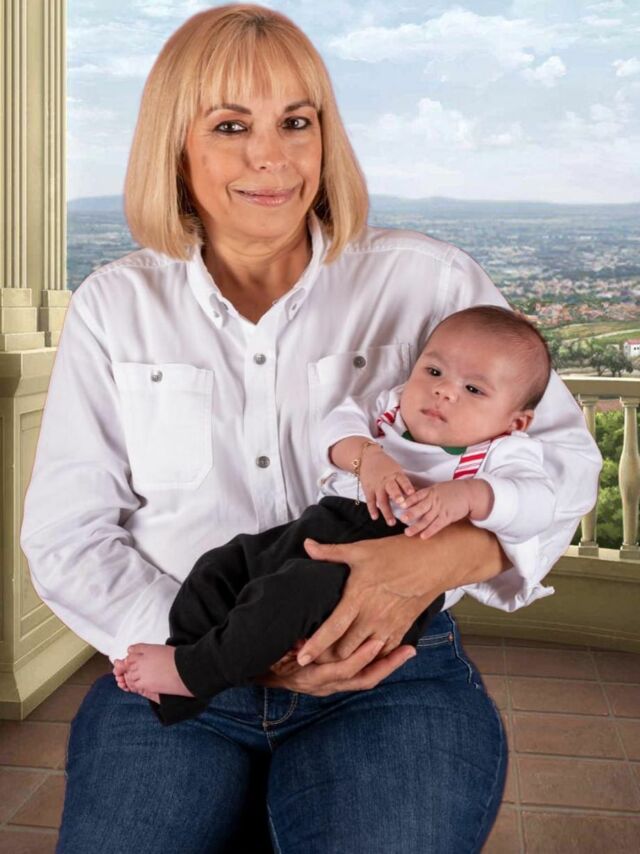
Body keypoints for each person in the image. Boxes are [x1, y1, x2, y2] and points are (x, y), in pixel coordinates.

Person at [19, 4, 601, 852]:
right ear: (175, 146)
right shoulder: (115, 306)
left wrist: (427, 565)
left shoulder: (429, 281)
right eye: (231, 126)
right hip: (175, 660)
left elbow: (564, 464)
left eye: (297, 122)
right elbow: (68, 535)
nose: (273, 157)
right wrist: (226, 653)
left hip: (390, 671)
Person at [118, 305, 556, 730]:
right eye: (434, 371)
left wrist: (470, 496)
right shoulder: (391, 407)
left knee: (290, 593)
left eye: (474, 390)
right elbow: (336, 427)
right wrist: (367, 457)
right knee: (222, 564)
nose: (444, 391)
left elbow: (539, 505)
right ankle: (182, 658)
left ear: (516, 422)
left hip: (393, 564)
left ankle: (195, 674)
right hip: (322, 526)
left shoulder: (504, 452)